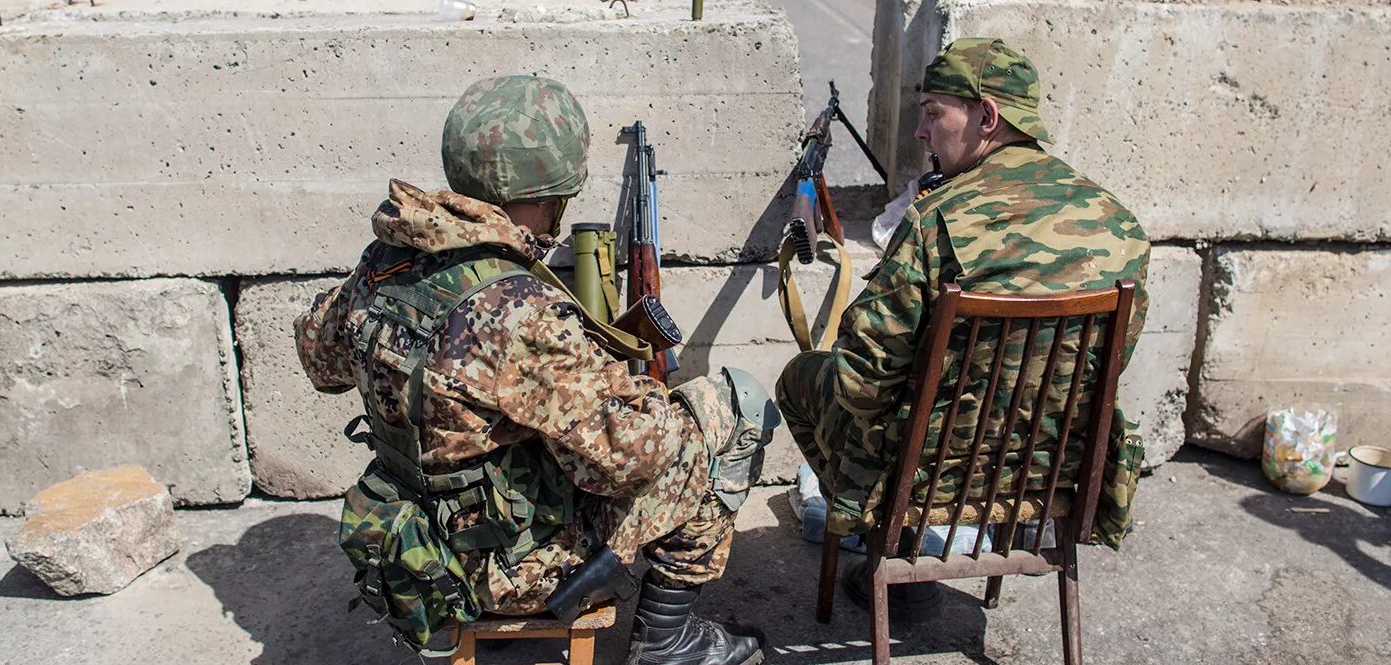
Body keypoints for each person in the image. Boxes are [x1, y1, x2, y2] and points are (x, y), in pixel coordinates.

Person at [295, 75, 774, 665]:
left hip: (414, 548)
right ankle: (668, 639)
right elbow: (630, 463)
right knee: (735, 404)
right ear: (552, 193)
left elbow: (320, 362)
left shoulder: (385, 263)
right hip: (507, 570)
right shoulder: (518, 309)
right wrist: (652, 399)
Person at [776, 38, 1151, 600]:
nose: (922, 133)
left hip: (928, 476)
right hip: (1049, 468)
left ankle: (883, 535)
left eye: (932, 114)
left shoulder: (934, 221)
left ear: (987, 117)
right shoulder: (1120, 224)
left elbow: (860, 383)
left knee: (799, 378)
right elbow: (1109, 369)